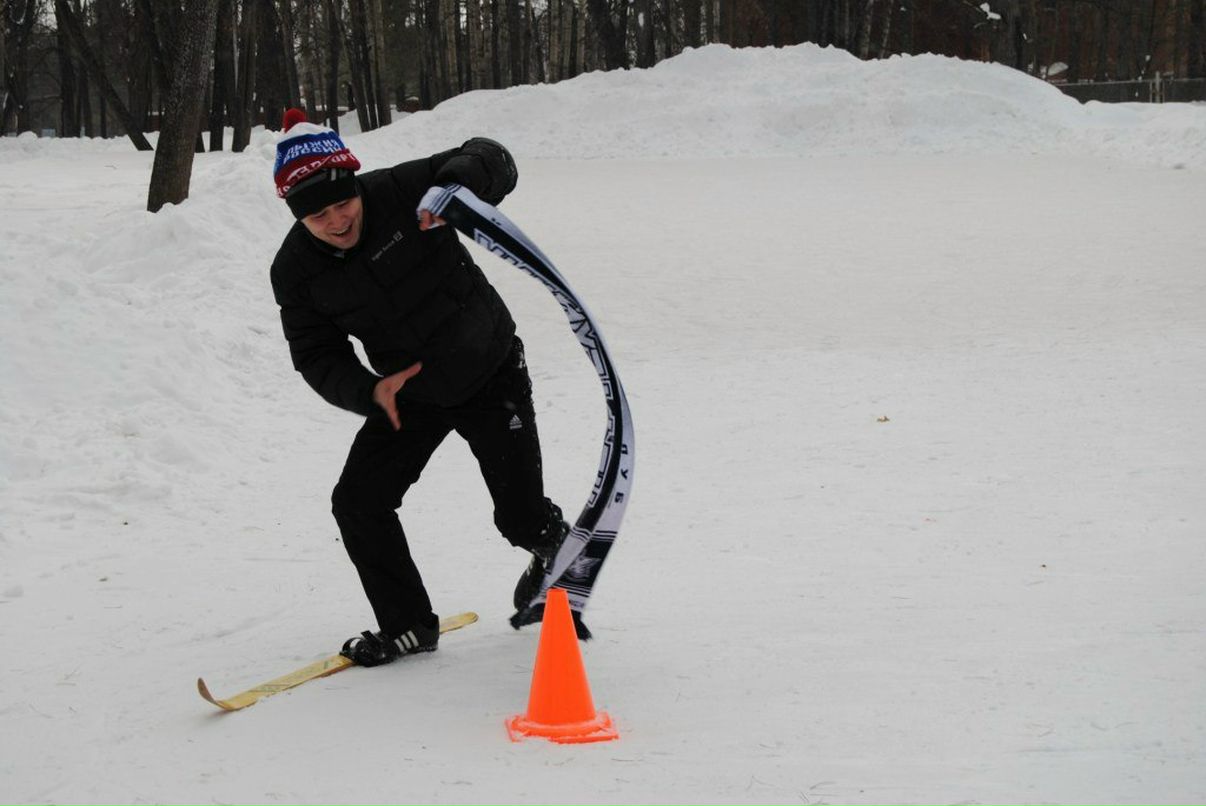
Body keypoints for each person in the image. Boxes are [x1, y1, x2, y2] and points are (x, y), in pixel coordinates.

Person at [268, 108, 567, 667]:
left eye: (343, 203)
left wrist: (460, 181)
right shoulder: (294, 271)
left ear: (356, 185)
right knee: (358, 502)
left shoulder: (403, 190)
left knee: (519, 517)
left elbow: (492, 155)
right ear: (296, 218)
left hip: (488, 366)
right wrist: (367, 392)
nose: (337, 221)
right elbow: (315, 353)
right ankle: (407, 625)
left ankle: (551, 545)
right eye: (318, 216)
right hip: (406, 394)